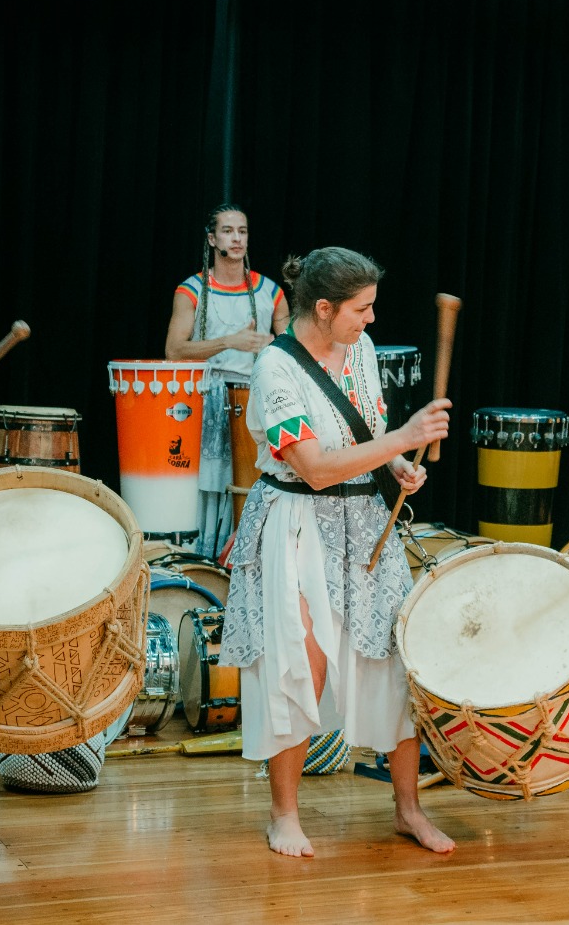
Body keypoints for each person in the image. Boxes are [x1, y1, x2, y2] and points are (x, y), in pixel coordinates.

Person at [219, 246, 454, 858]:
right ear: (323, 308)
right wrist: (404, 437)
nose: (370, 319)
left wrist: (398, 463)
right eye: (361, 309)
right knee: (301, 664)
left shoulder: (363, 350)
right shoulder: (275, 370)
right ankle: (284, 814)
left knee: (394, 661)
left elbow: (364, 434)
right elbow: (317, 468)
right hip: (296, 521)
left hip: (365, 518)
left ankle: (408, 809)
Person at [164, 204, 290, 556]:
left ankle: (246, 556)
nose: (237, 238)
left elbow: (292, 349)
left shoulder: (270, 291)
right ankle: (203, 560)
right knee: (208, 484)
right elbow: (174, 351)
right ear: (212, 239)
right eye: (228, 231)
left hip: (255, 399)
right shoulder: (191, 290)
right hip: (208, 397)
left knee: (252, 479)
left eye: (242, 231)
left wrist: (273, 344)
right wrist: (230, 341)